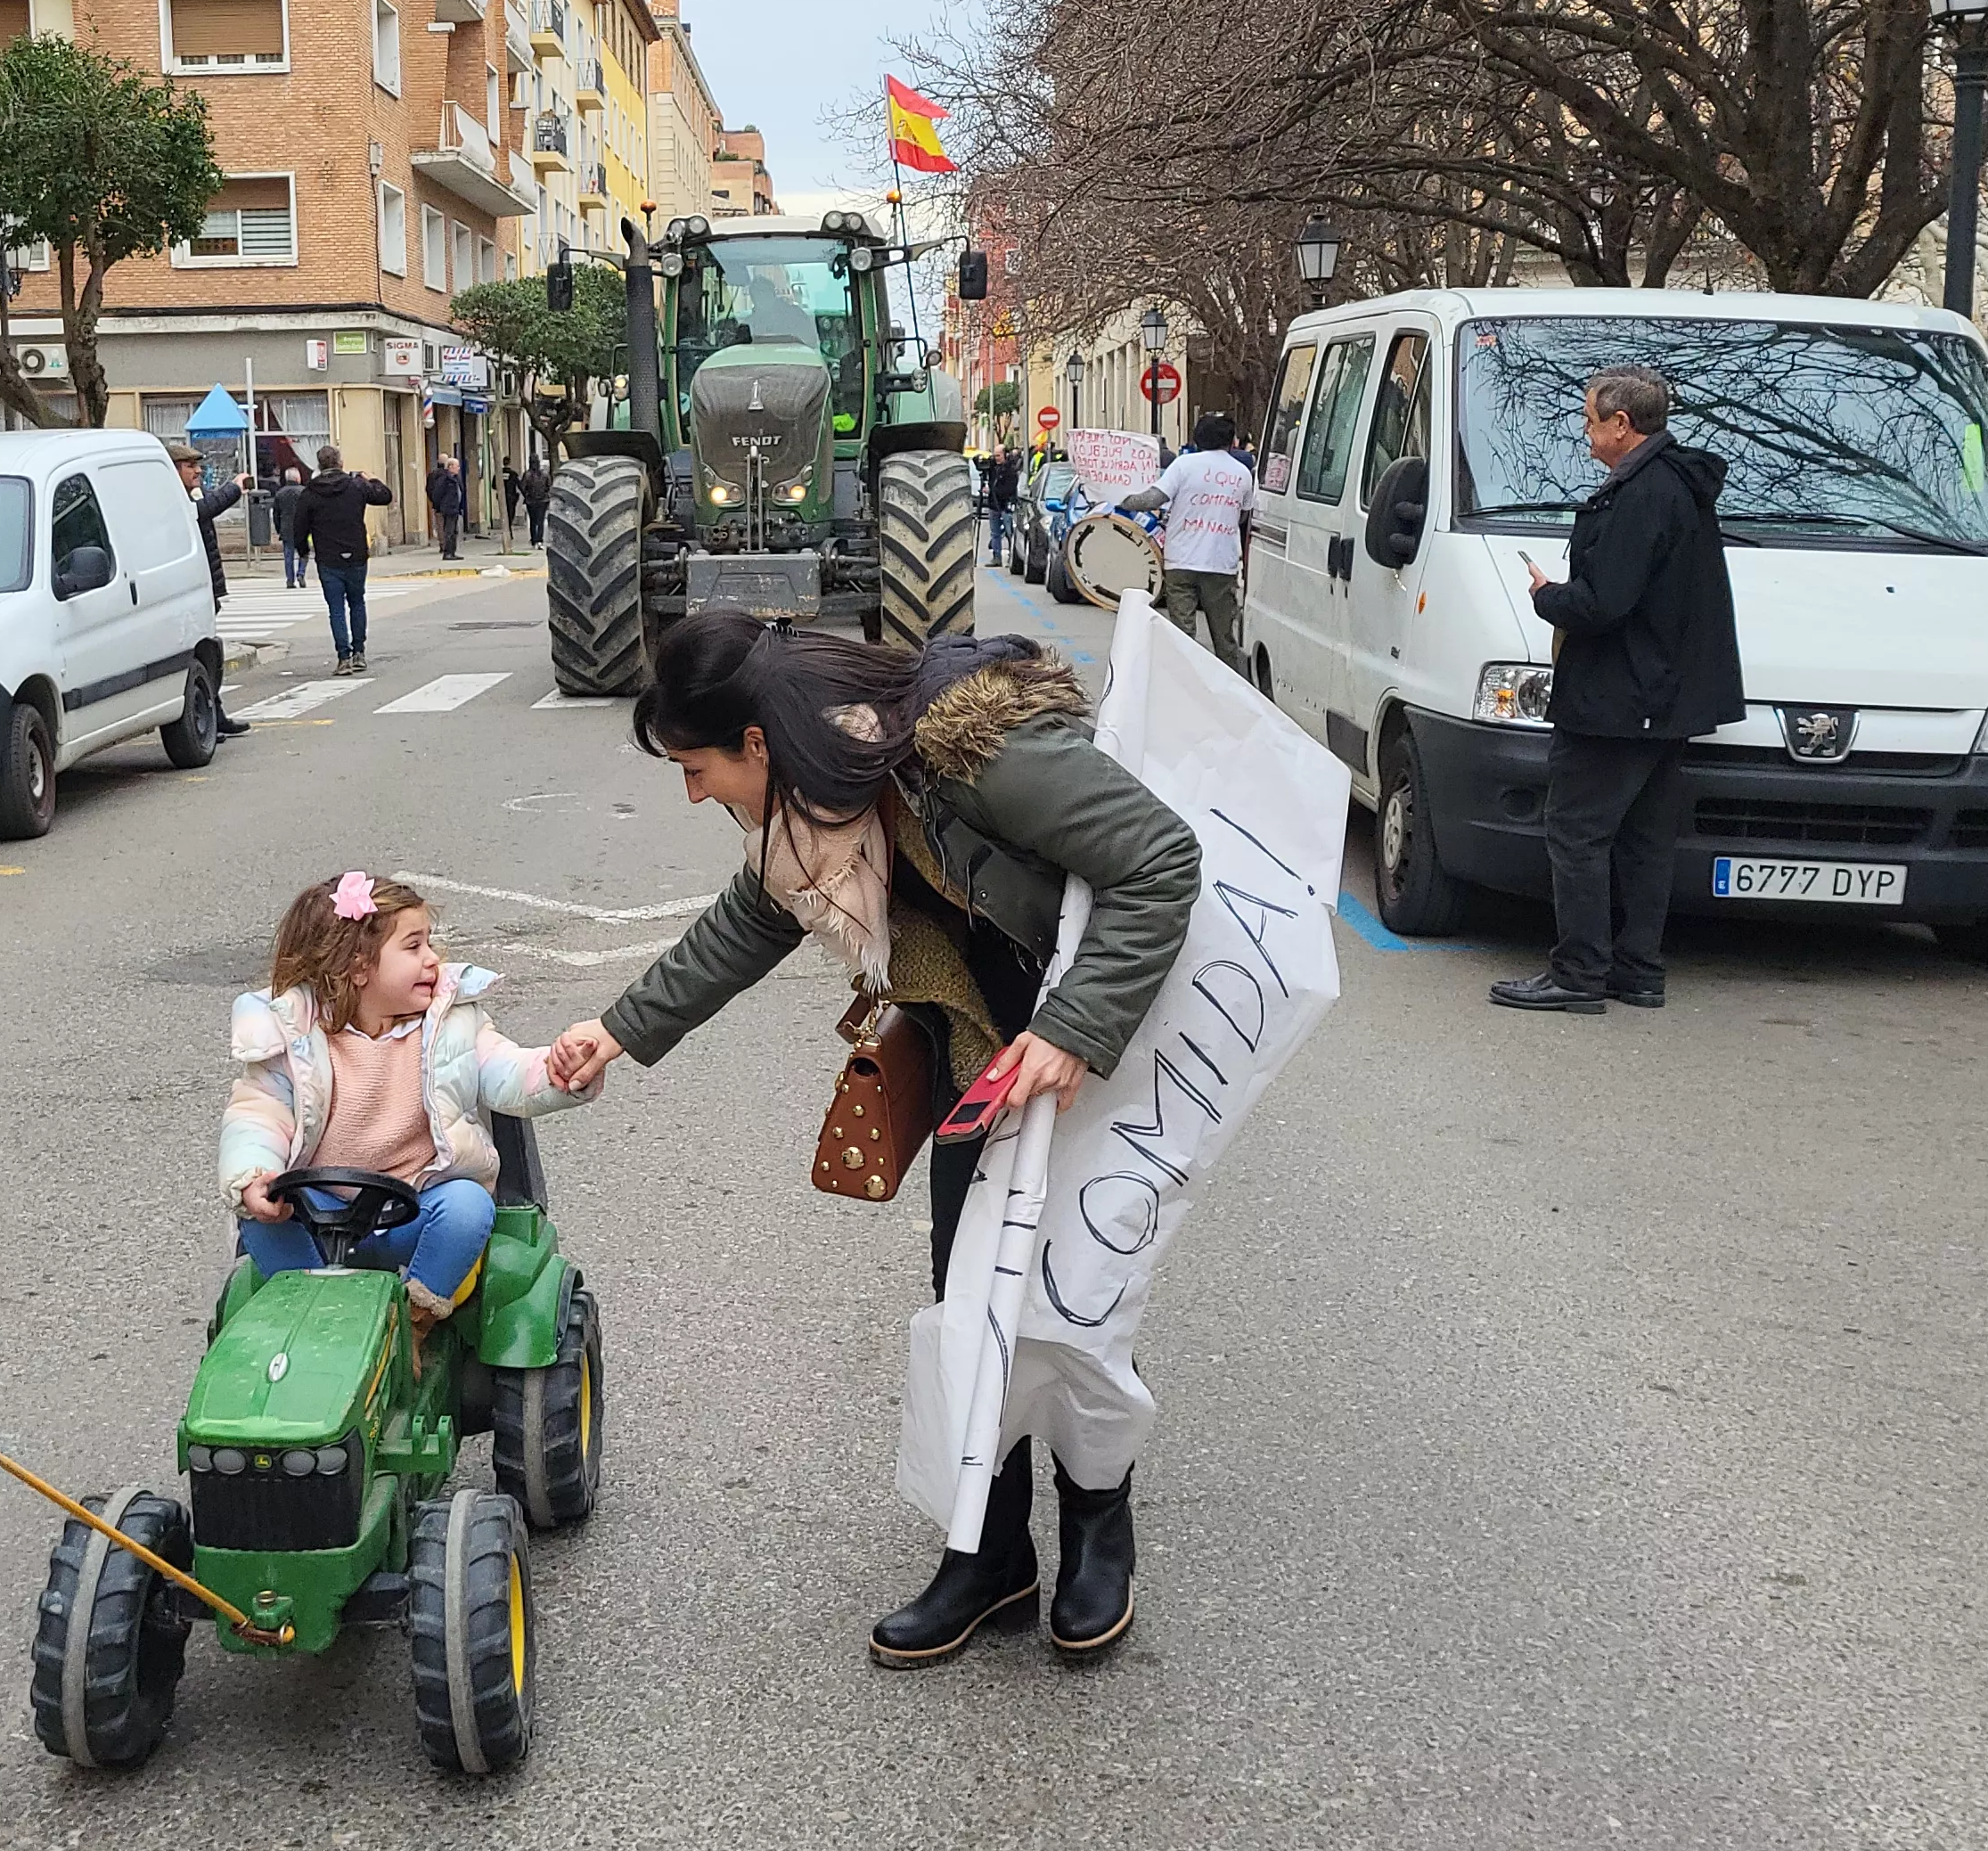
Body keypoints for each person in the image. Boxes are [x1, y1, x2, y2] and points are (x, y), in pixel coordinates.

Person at [544, 613, 1199, 1667]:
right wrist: (616, 1030)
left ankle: (1096, 1526)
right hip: (981, 1051)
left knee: (1076, 1294)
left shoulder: (973, 752)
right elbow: (749, 921)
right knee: (970, 1295)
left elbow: (1159, 859)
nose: (695, 794)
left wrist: (1076, 1029)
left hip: (1091, 1039)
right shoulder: (810, 808)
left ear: (757, 742)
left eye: (696, 768)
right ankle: (989, 1553)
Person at [223, 873, 596, 1330]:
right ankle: (312, 1317)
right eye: (414, 946)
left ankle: (416, 1321)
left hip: (416, 1208)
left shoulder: (451, 1025)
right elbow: (257, 1114)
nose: (432, 959)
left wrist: (559, 1070)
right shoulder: (293, 1037)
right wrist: (253, 1176)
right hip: (318, 1212)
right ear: (358, 967)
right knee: (261, 1216)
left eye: (429, 943)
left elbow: (508, 1071)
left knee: (467, 1207)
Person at [1498, 365, 1743, 1016]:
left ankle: (1578, 972)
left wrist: (1548, 596)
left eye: (1590, 421)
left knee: (1576, 831)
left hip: (1619, 696)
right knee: (1644, 840)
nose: (1585, 433)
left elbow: (1605, 602)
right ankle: (1638, 970)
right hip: (1665, 696)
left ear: (1621, 424)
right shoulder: (1678, 483)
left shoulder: (1642, 496)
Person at [1112, 410, 1252, 662]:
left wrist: (1122, 500)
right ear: (1231, 441)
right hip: (1221, 563)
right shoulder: (1242, 473)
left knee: (1182, 636)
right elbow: (1243, 515)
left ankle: (1184, 676)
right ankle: (1229, 681)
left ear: (1198, 438)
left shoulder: (1184, 465)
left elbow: (1154, 499)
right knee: (1225, 640)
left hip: (1181, 560)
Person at [164, 438, 251, 737]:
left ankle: (215, 713)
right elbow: (204, 511)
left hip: (202, 587)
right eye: (190, 466)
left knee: (206, 652)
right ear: (173, 469)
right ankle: (204, 718)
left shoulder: (188, 495)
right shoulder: (171, 499)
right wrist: (234, 488)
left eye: (197, 465)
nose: (197, 471)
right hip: (187, 590)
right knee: (197, 653)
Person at [288, 442, 389, 675]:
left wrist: (303, 551)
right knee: (357, 602)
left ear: (319, 465)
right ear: (340, 463)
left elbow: (299, 527)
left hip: (328, 557)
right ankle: (359, 653)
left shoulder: (310, 493)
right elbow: (385, 496)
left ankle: (343, 657)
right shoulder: (356, 486)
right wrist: (373, 480)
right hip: (356, 554)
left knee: (336, 608)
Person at [277, 460, 312, 590]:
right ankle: (301, 573)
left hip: (286, 529)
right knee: (304, 553)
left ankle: (290, 580)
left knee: (288, 555)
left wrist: (279, 528)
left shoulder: (280, 493)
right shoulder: (304, 492)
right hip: (302, 528)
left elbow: (276, 513)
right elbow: (310, 511)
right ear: (298, 478)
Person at [431, 452, 467, 560]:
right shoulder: (444, 479)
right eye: (457, 466)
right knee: (449, 531)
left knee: (454, 532)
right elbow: (437, 494)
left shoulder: (456, 478)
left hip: (455, 508)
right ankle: (447, 553)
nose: (459, 468)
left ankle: (452, 552)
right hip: (448, 508)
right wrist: (442, 506)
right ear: (450, 467)